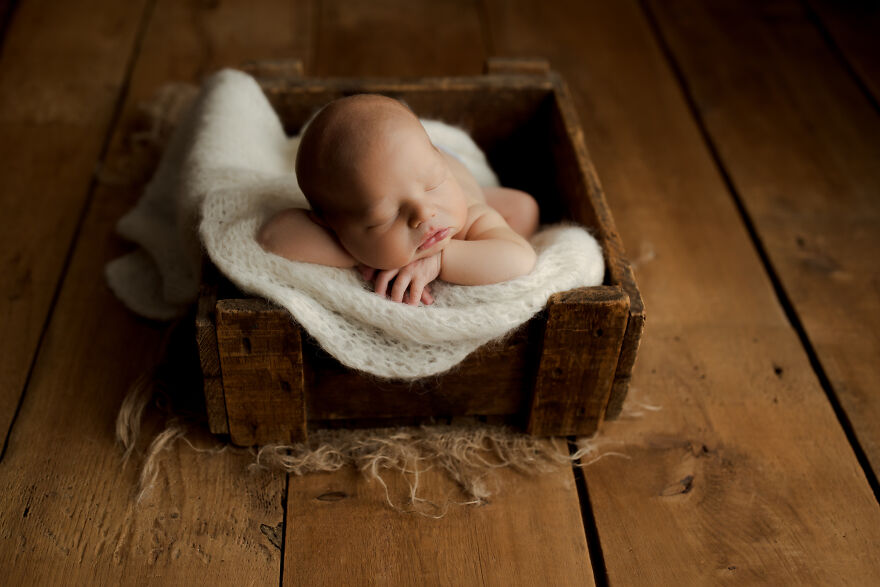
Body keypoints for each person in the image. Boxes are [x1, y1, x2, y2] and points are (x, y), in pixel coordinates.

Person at [258, 94, 539, 306]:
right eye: (385, 216)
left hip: (453, 168)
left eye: (433, 185)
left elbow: (520, 259)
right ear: (331, 226)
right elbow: (273, 234)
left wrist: (442, 259)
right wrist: (361, 254)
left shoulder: (464, 213)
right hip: (396, 169)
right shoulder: (345, 228)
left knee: (524, 209)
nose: (424, 213)